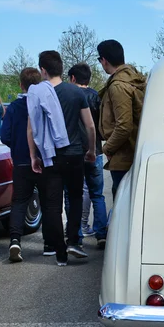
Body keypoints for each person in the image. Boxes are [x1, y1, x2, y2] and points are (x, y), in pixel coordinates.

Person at [27, 50, 96, 266]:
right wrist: (92, 150)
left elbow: (31, 129)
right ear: (60, 67)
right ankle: (74, 240)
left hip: (50, 156)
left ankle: (60, 254)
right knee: (75, 198)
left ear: (43, 70)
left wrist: (33, 156)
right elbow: (90, 125)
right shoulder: (76, 93)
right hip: (74, 154)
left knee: (52, 205)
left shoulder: (38, 94)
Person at [0, 68, 43, 262]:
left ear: (21, 84)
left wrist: (17, 146)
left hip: (20, 161)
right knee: (49, 203)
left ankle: (15, 240)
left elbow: (5, 136)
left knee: (18, 202)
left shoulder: (14, 107)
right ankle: (51, 243)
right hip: (43, 161)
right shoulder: (42, 104)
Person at [97, 39, 147, 200]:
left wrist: (108, 149)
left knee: (121, 200)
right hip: (132, 151)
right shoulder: (134, 79)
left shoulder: (118, 86)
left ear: (104, 60)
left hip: (123, 156)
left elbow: (124, 126)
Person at [67, 63, 108, 248]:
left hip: (74, 151)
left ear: (73, 78)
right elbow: (101, 124)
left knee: (73, 194)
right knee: (97, 194)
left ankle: (75, 235)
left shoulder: (69, 96)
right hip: (95, 150)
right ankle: (101, 234)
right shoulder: (96, 97)